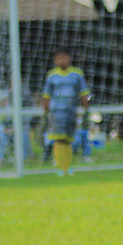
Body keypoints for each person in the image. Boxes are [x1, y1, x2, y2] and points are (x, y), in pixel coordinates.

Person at [41, 48, 90, 176]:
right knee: (58, 139)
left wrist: (86, 109)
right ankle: (60, 168)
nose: (61, 61)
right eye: (58, 58)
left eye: (64, 57)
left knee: (69, 139)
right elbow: (47, 95)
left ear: (69, 58)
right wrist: (44, 110)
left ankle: (68, 167)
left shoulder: (77, 74)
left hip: (71, 111)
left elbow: (83, 93)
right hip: (56, 112)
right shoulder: (51, 75)